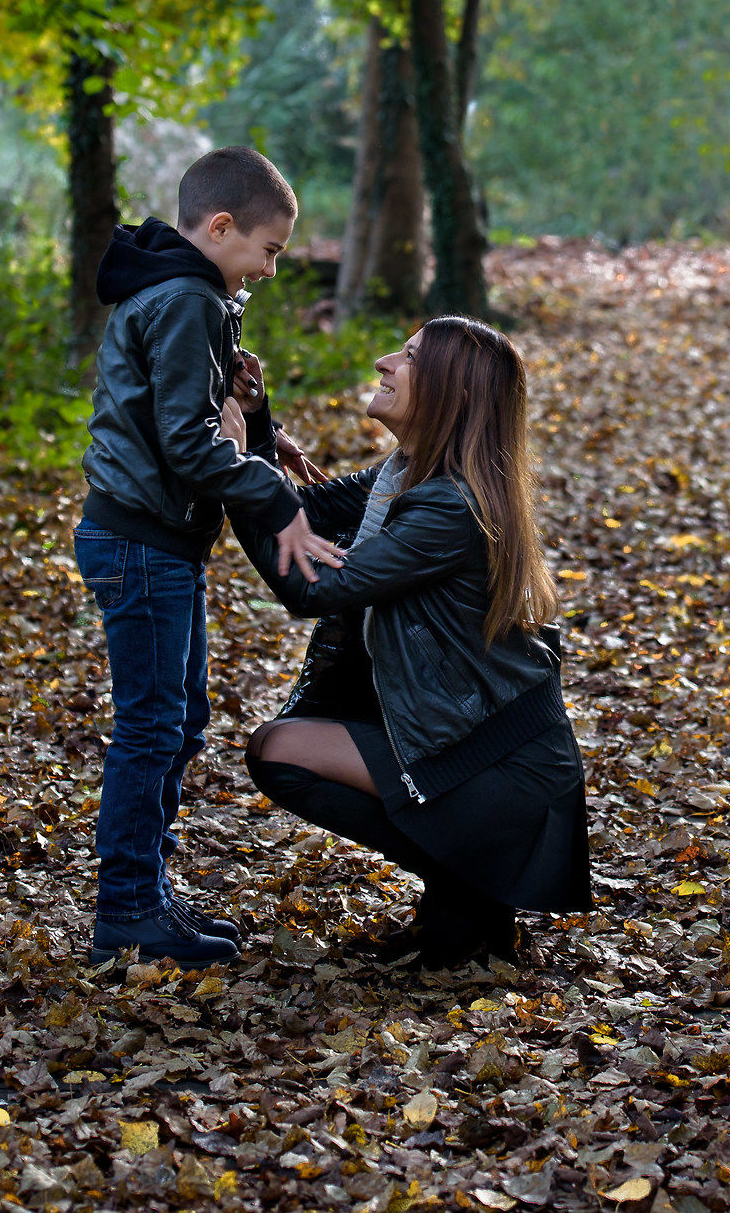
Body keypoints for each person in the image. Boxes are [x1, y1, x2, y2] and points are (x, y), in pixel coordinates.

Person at [236, 317, 591, 967]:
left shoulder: (451, 507)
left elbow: (309, 585)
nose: (382, 362)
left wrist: (231, 467)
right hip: (470, 742)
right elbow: (300, 516)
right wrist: (256, 428)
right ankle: (465, 896)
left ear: (452, 394)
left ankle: (470, 889)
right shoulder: (404, 478)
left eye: (407, 357)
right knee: (284, 744)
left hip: (500, 765)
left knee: (281, 750)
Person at [74, 147, 344, 968]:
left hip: (158, 542)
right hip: (140, 543)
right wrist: (274, 501)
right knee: (153, 725)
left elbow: (196, 409)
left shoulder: (189, 293)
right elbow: (188, 445)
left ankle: (147, 891)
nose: (269, 268)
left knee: (178, 718)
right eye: (267, 250)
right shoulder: (186, 298)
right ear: (220, 226)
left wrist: (265, 432)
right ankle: (125, 909)